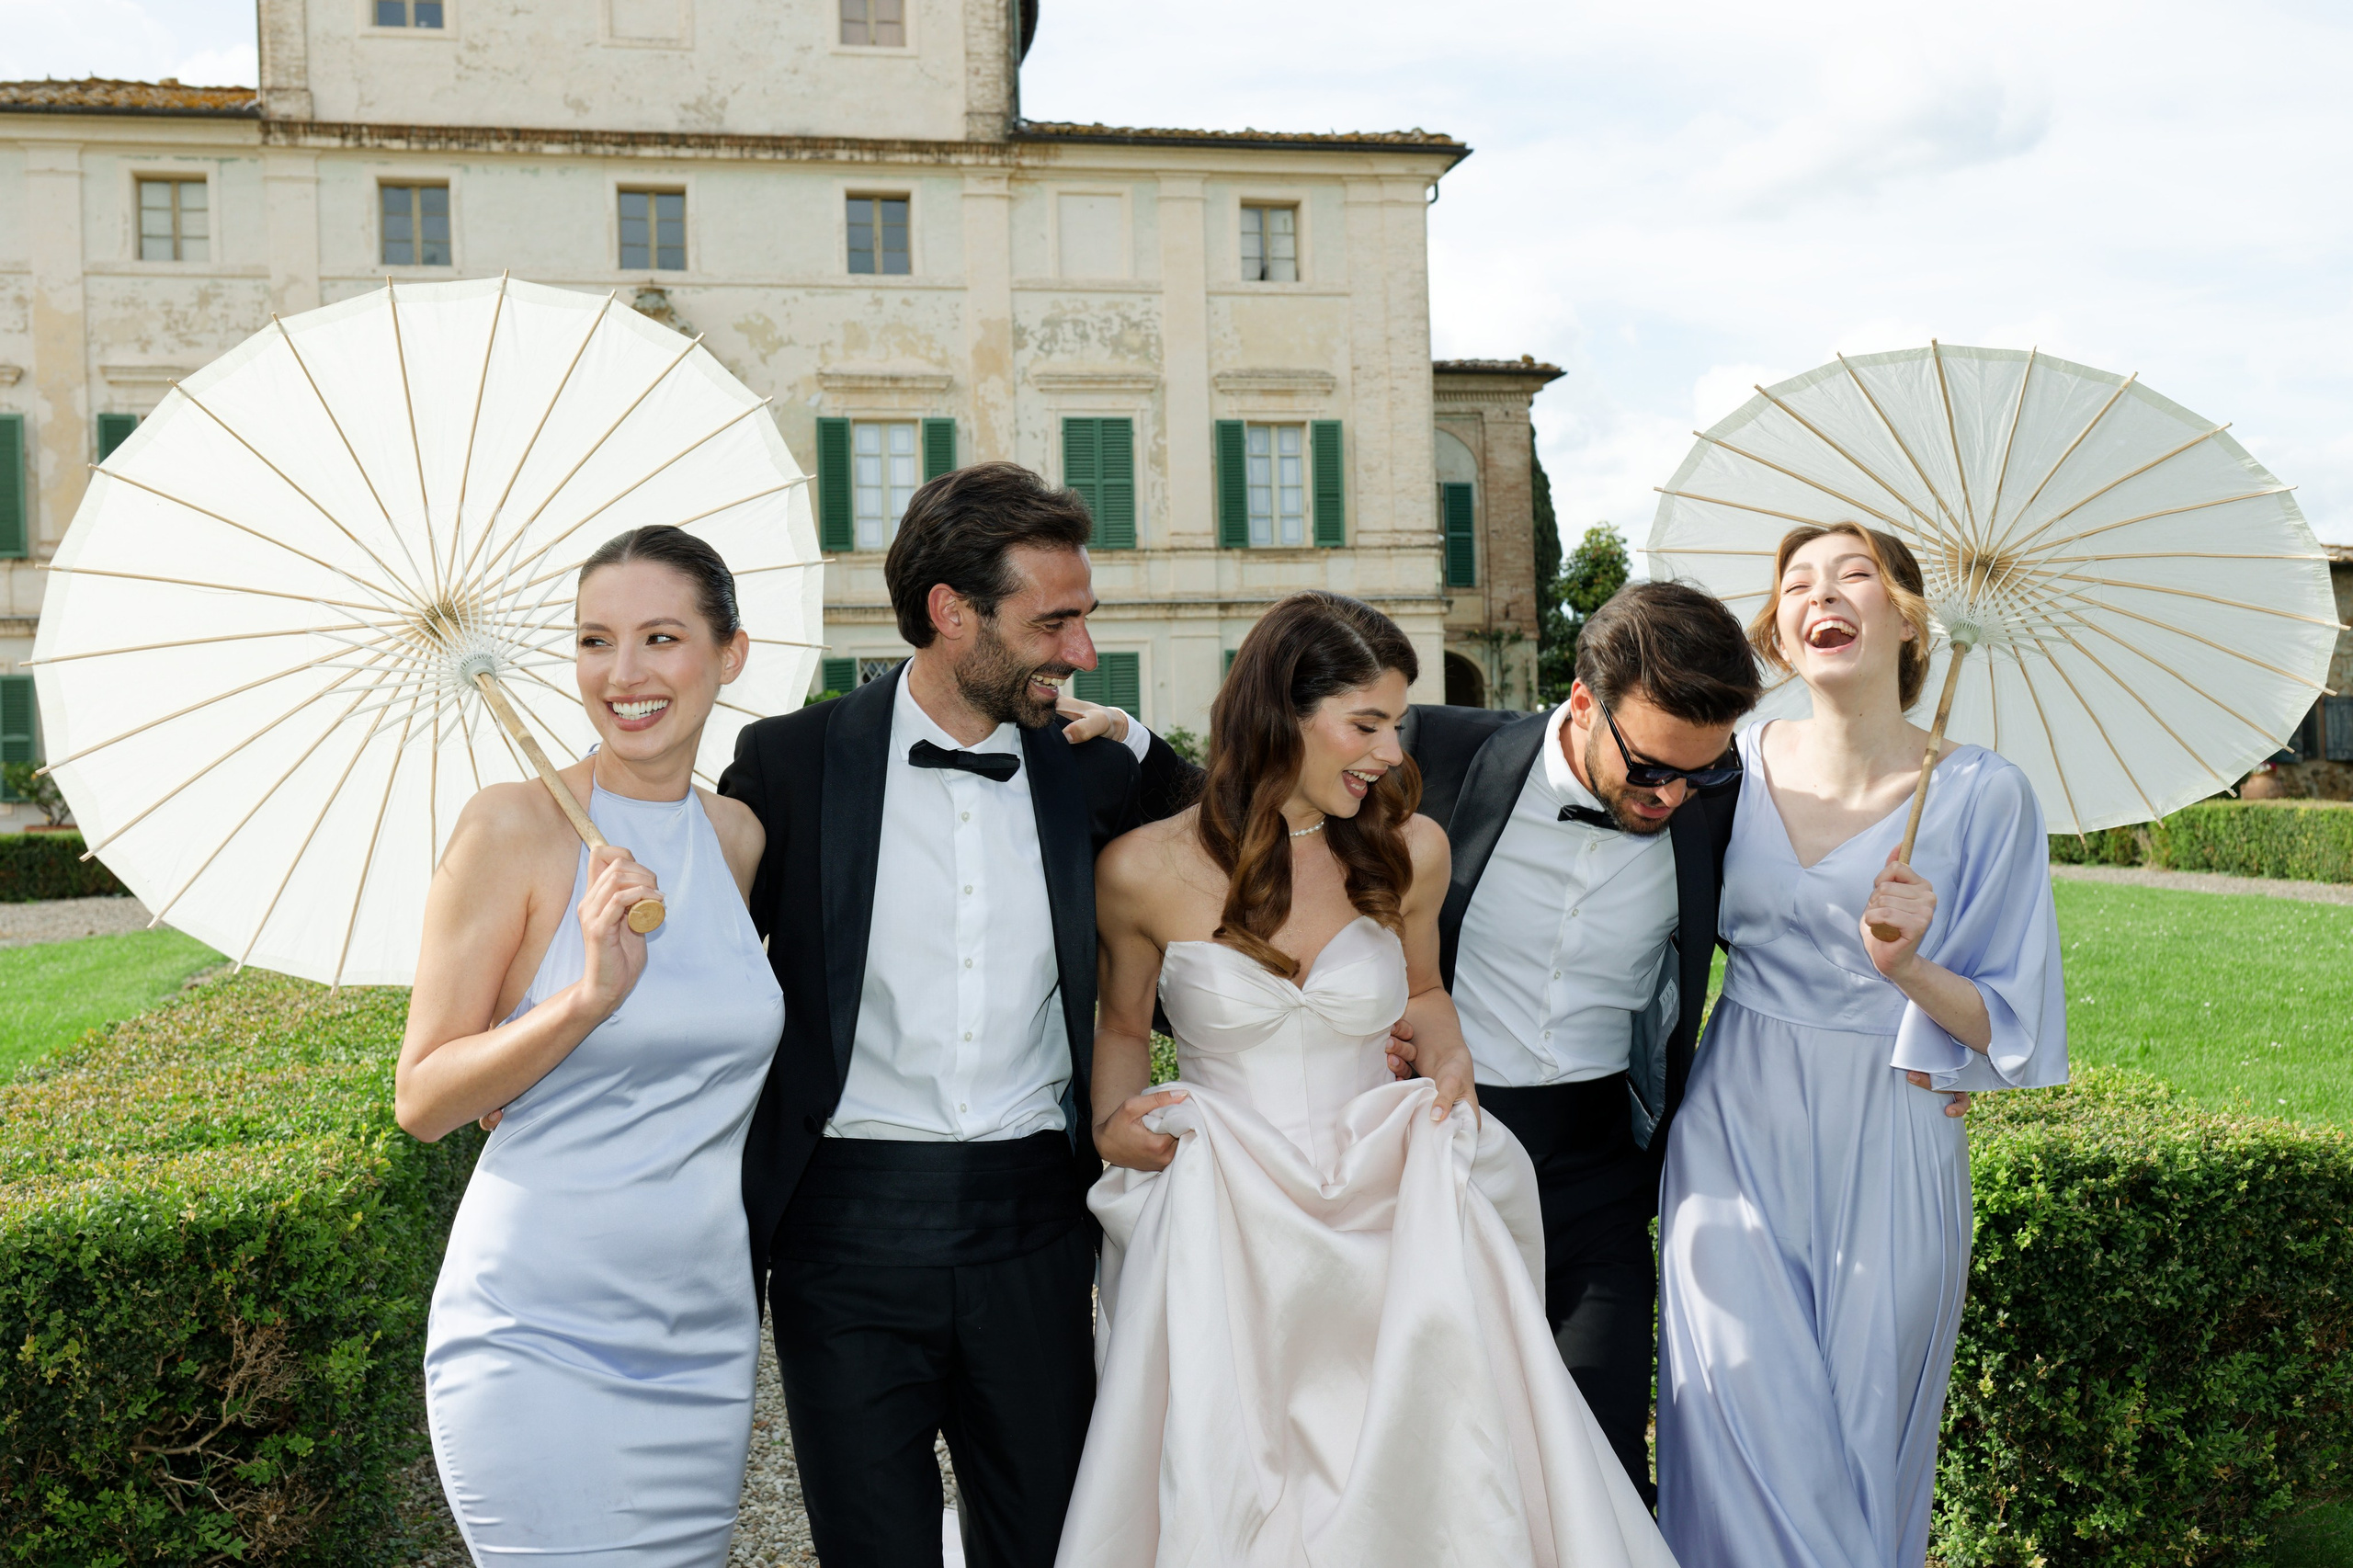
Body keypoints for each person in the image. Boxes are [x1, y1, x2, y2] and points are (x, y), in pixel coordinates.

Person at [1060, 591, 1668, 1568]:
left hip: (1393, 1203)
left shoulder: (1409, 849)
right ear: (1280, 715)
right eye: (1366, 724)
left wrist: (1449, 1053)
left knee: (1429, 1471)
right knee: (1233, 1476)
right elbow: (1123, 1025)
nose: (1390, 750)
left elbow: (1423, 991)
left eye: (1396, 723)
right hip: (1224, 1216)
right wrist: (1109, 1122)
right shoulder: (1140, 868)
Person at [718, 461, 1195, 1568]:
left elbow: (1239, 862)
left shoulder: (1094, 770)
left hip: (1035, 1224)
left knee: (1051, 1544)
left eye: (1083, 617)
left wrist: (1141, 746)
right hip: (842, 1229)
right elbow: (707, 972)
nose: (1082, 650)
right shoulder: (788, 763)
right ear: (950, 611)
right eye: (1053, 622)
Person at [1654, 523, 2067, 1568]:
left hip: (1893, 1126)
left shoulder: (1985, 793)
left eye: (1853, 576)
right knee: (1734, 1412)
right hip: (1733, 1122)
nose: (1820, 596)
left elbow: (2010, 1024)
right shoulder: (1731, 765)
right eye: (1796, 583)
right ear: (1779, 630)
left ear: (1911, 621)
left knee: (1857, 1432)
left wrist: (1909, 968)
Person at [401, 525, 783, 1567]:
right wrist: (582, 1001)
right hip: (536, 1330)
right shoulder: (509, 828)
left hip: (703, 1336)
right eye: (593, 641)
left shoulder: (737, 839)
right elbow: (424, 1098)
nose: (623, 675)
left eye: (660, 637)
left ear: (730, 654)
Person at [1391, 580, 1760, 1502]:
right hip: (1441, 1153)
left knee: (1603, 1459)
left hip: (1600, 1168)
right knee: (1447, 1466)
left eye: (1702, 770)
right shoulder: (1433, 754)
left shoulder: (1720, 804)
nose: (1673, 795)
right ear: (1585, 701)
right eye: (1652, 767)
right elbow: (1263, 828)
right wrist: (1134, 748)